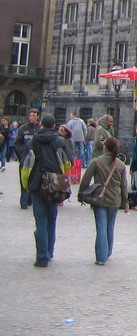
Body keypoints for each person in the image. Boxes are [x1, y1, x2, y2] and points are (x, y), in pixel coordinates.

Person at [78, 136, 130, 265]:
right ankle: (107, 252)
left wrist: (81, 195)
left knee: (101, 226)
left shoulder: (96, 161)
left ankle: (101, 257)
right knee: (110, 226)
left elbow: (85, 180)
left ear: (104, 147)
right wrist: (125, 202)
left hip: (99, 199)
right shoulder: (121, 164)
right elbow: (124, 185)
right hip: (115, 200)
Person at [26, 114, 66, 266]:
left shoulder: (33, 141)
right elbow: (67, 162)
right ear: (54, 126)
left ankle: (41, 256)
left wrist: (26, 184)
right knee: (52, 219)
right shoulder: (59, 141)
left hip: (37, 183)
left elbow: (26, 164)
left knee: (40, 221)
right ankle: (49, 251)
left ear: (41, 125)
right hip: (54, 183)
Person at [14, 108, 41, 209]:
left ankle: (31, 200)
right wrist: (23, 153)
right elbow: (17, 143)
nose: (32, 118)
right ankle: (24, 202)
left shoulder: (40, 129)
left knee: (34, 179)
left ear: (38, 116)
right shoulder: (23, 129)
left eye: (34, 116)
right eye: (30, 116)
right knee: (24, 179)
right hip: (25, 159)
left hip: (37, 160)